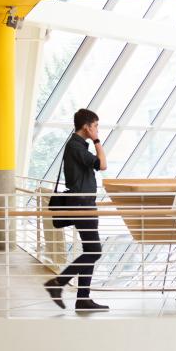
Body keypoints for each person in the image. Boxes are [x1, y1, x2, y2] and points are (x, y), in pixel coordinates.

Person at [44, 108, 109, 311]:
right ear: (86, 126)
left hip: (85, 203)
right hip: (82, 205)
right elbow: (103, 164)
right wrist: (97, 141)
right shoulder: (75, 146)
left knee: (91, 250)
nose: (97, 130)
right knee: (94, 250)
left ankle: (82, 298)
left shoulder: (77, 145)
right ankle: (58, 283)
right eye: (95, 126)